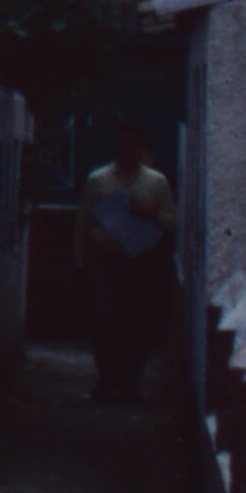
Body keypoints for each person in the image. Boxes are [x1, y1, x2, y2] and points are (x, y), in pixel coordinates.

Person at [80, 125, 178, 404]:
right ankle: (107, 379)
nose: (125, 151)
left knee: (139, 321)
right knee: (103, 319)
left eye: (131, 146)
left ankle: (131, 383)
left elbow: (172, 220)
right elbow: (84, 220)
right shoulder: (97, 179)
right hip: (106, 257)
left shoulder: (156, 182)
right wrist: (81, 258)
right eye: (121, 145)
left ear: (139, 149)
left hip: (142, 258)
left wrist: (149, 213)